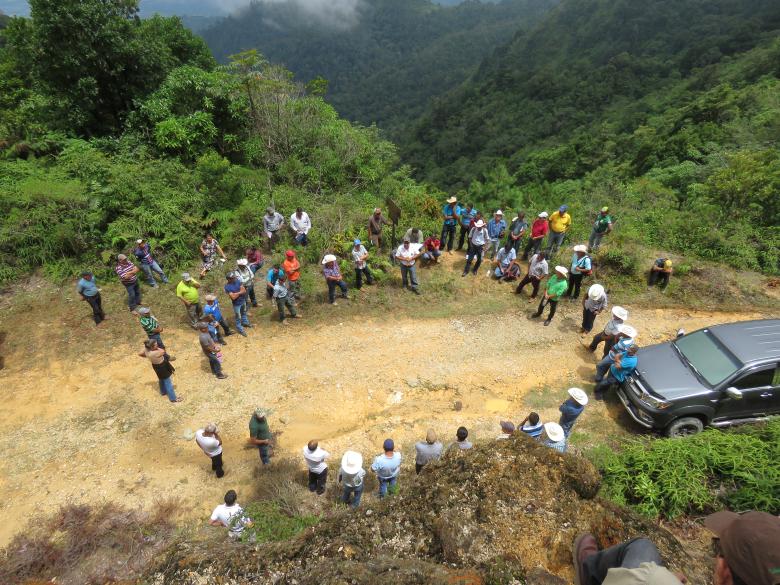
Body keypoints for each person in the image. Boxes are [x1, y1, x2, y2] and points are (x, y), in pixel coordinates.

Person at [572, 511, 780, 585]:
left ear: (726, 571)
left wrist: (659, 580)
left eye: (719, 547)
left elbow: (648, 579)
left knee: (642, 547)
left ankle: (588, 570)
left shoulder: (652, 581)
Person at [224, 272, 250, 337]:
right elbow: (233, 297)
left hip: (242, 301)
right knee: (238, 317)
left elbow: (244, 291)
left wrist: (236, 293)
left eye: (234, 277)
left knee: (244, 313)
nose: (234, 278)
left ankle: (245, 323)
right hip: (236, 304)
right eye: (232, 278)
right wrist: (240, 292)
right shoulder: (227, 287)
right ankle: (240, 329)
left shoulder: (237, 281)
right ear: (228, 279)